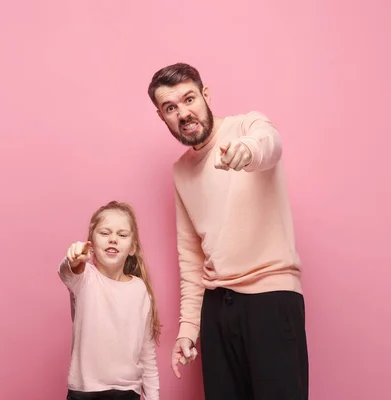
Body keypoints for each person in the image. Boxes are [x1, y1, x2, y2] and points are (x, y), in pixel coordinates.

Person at [147, 63, 309, 400]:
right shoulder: (181, 171)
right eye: (170, 108)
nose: (183, 113)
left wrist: (247, 151)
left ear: (206, 95)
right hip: (217, 306)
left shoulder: (247, 126)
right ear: (162, 117)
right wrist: (188, 329)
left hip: (271, 297)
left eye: (189, 99)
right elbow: (190, 256)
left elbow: (270, 143)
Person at [58, 201, 160, 400]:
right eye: (105, 233)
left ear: (132, 248)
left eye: (122, 235)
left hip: (127, 393)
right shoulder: (84, 278)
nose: (113, 239)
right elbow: (67, 272)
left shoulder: (140, 291)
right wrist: (74, 259)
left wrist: (154, 397)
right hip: (84, 392)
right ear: (91, 244)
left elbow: (147, 354)